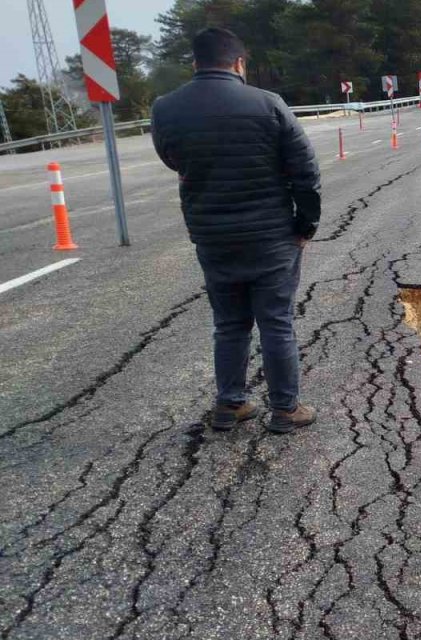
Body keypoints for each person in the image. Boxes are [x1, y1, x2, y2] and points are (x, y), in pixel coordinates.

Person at [151, 27, 321, 434]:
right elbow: (306, 172)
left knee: (229, 324)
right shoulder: (268, 104)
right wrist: (305, 225)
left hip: (213, 237)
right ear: (240, 63)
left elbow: (172, 159)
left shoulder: (166, 107)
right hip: (272, 238)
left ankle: (230, 405)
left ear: (195, 63)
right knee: (276, 321)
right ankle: (284, 409)